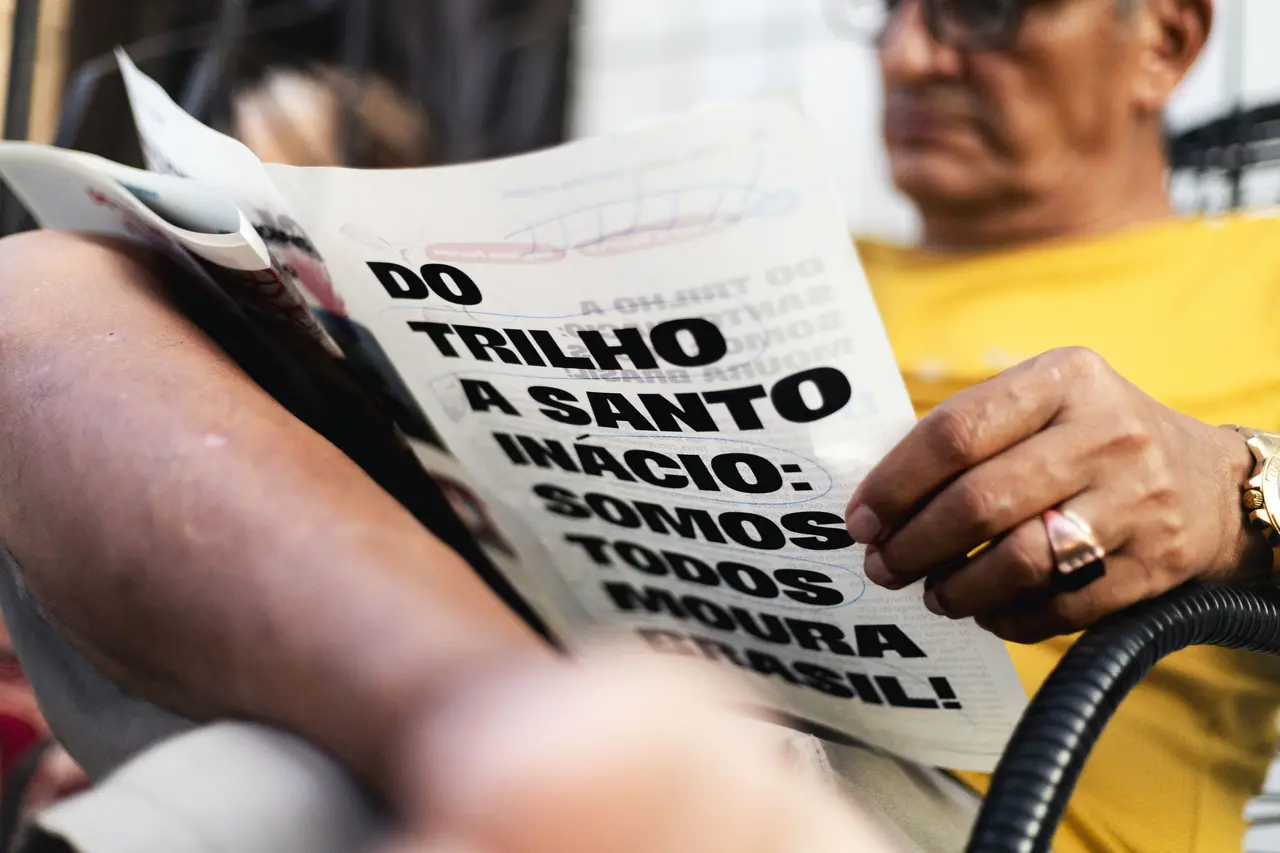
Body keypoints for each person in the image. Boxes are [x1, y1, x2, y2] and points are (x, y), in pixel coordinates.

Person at [0, 0, 1270, 851]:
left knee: (254, 800)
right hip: (509, 687)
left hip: (956, 815)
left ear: (1161, 38)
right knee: (45, 288)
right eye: (888, 9)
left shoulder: (1259, 276)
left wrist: (1234, 488)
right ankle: (509, 731)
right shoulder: (777, 237)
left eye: (982, 8)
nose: (907, 56)